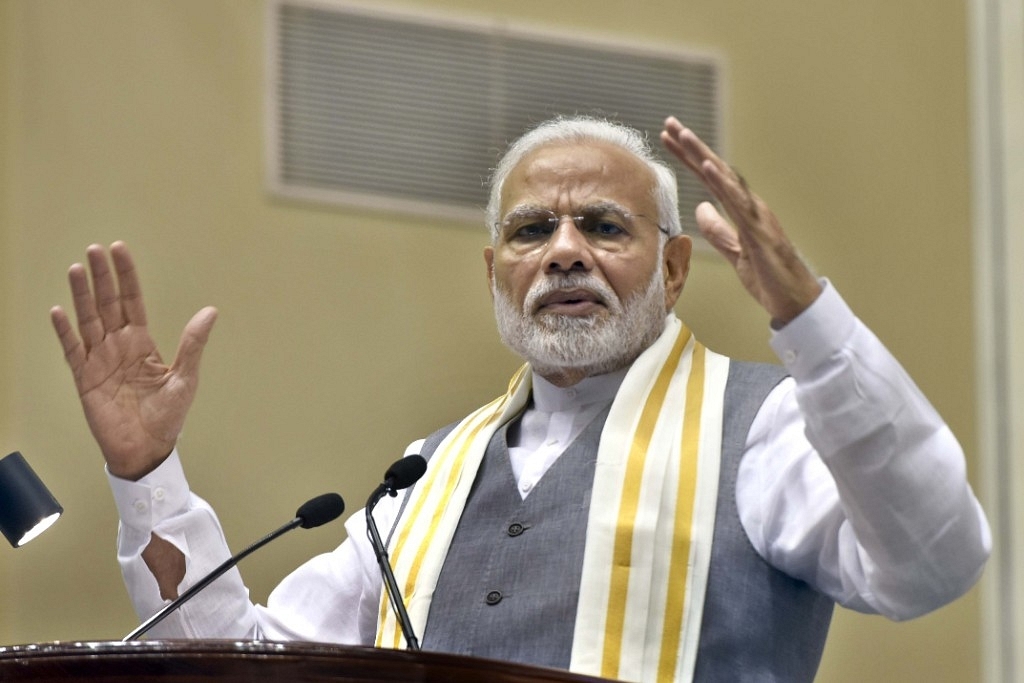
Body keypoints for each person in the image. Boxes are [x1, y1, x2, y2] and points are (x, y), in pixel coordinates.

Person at [51, 115, 991, 682]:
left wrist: (814, 323)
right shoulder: (428, 472)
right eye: (532, 229)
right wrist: (147, 472)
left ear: (672, 265)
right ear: (495, 271)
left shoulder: (763, 426)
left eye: (604, 226)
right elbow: (245, 666)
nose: (564, 251)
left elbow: (935, 560)